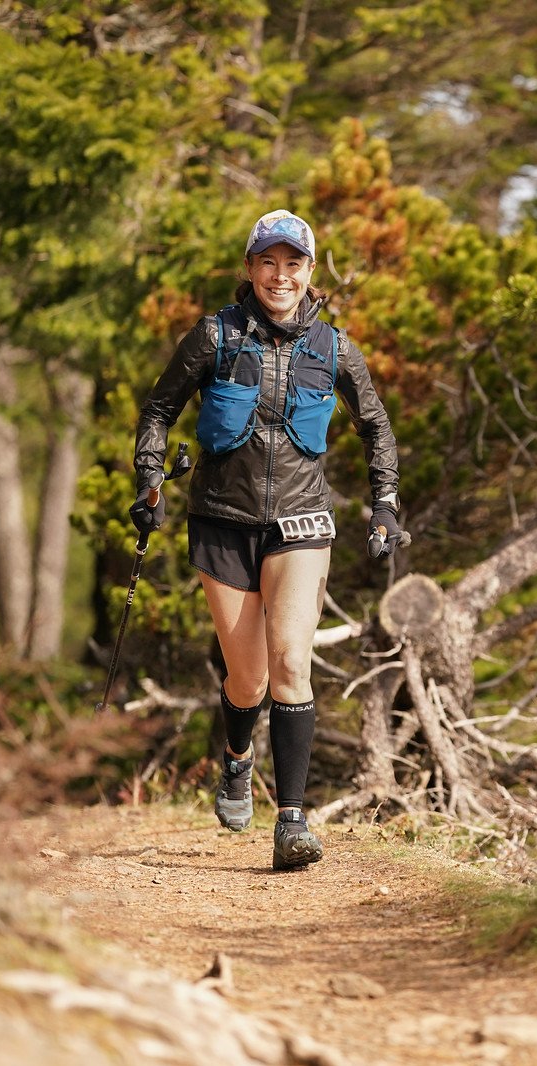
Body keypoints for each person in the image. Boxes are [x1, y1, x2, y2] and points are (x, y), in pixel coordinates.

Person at [131, 209, 402, 871]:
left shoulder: (335, 347)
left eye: (294, 263)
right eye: (268, 263)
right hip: (222, 517)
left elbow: (377, 428)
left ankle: (292, 820)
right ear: (251, 269)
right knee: (247, 677)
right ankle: (236, 757)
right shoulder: (215, 335)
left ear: (310, 272)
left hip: (304, 521)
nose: (281, 276)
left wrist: (386, 504)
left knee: (291, 663)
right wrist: (148, 479)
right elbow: (160, 409)